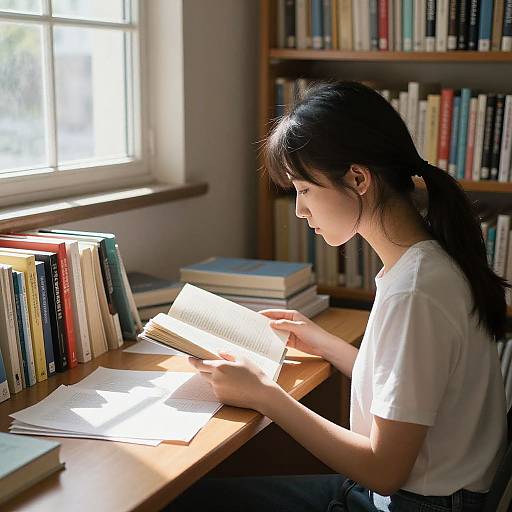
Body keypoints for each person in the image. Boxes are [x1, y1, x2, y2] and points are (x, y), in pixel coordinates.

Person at [169, 81, 508, 512]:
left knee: (186, 500)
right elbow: (408, 389)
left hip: (410, 503)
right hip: (427, 497)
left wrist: (265, 396)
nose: (299, 210)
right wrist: (327, 344)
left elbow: (384, 470)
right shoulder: (426, 262)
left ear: (358, 178)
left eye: (305, 190)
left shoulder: (416, 292)